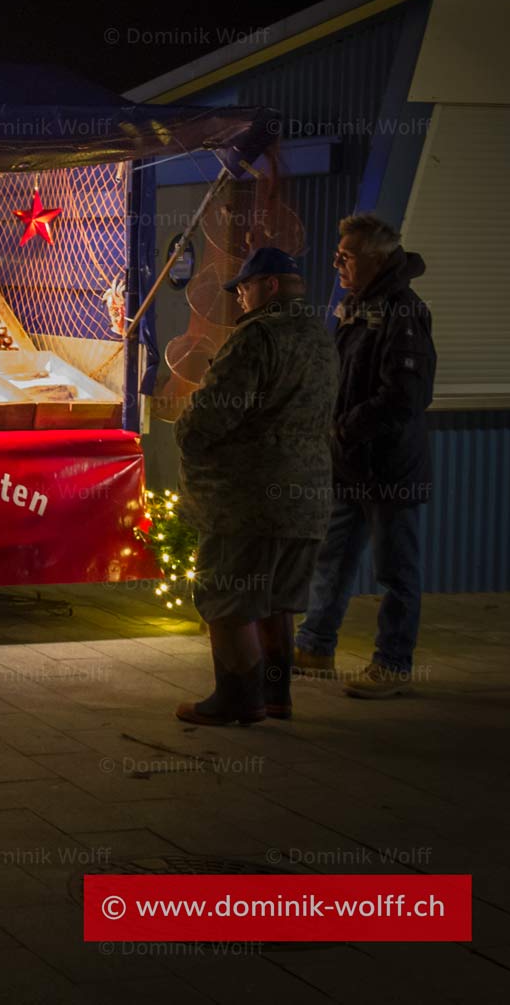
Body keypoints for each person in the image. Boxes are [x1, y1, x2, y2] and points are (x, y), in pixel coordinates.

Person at [172, 246, 337, 725]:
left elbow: (214, 415)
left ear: (267, 286)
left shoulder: (256, 338)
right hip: (305, 495)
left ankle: (238, 699)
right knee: (276, 598)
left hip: (246, 499)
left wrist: (185, 431)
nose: (240, 298)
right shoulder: (321, 338)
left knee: (227, 596)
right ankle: (276, 695)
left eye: (243, 288)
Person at [296, 213, 436, 698]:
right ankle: (315, 645)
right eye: (338, 253)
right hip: (350, 464)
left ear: (377, 258)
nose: (336, 261)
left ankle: (394, 664)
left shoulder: (403, 313)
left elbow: (404, 396)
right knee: (332, 559)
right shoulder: (356, 307)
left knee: (396, 571)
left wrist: (343, 429)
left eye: (347, 255)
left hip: (391, 469)